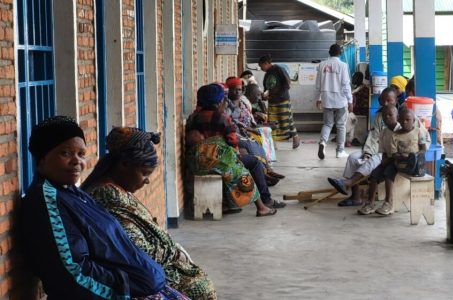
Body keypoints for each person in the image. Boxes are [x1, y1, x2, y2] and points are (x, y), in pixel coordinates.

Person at [20, 116, 186, 299]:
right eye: (65, 153)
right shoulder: (47, 202)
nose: (77, 161)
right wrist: (125, 288)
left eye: (81, 154)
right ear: (43, 158)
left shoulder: (72, 193)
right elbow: (73, 274)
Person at [81, 127, 217, 299]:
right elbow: (135, 248)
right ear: (124, 165)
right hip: (138, 276)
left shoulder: (116, 190)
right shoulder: (106, 196)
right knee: (199, 289)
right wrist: (172, 252)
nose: (147, 180)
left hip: (151, 270)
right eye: (144, 173)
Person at [185, 83, 281, 214]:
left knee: (240, 162)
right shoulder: (223, 118)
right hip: (221, 163)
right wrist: (236, 151)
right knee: (253, 164)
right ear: (219, 101)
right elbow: (232, 141)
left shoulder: (192, 118)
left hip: (198, 164)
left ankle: (229, 204)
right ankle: (264, 202)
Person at [326, 87, 398, 207]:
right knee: (353, 158)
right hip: (376, 149)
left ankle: (348, 182)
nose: (385, 104)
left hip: (389, 154)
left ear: (395, 101)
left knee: (374, 160)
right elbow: (374, 136)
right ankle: (355, 197)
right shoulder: (380, 115)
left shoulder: (400, 115)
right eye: (383, 101)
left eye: (389, 101)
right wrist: (368, 152)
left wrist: (374, 154)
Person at [359, 107, 430, 216]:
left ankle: (388, 203)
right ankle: (370, 203)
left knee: (388, 172)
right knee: (374, 174)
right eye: (402, 120)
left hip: (413, 164)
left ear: (413, 121)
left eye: (408, 120)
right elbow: (392, 153)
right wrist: (399, 158)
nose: (404, 122)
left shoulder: (418, 131)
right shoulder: (393, 134)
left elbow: (424, 148)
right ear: (399, 120)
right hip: (397, 161)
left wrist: (416, 156)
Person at [224, 77, 284, 186]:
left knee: (256, 143)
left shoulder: (241, 103)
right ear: (229, 90)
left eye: (239, 89)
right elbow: (229, 122)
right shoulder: (226, 105)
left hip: (244, 132)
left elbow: (249, 120)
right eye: (234, 89)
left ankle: (267, 170)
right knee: (249, 144)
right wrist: (245, 129)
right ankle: (263, 175)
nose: (237, 92)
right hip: (236, 133)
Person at [315, 44, 352, 159]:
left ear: (329, 52)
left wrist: (318, 98)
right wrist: (350, 100)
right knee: (341, 125)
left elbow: (318, 84)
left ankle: (322, 142)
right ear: (340, 53)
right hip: (340, 100)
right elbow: (346, 84)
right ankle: (340, 151)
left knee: (327, 124)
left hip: (326, 99)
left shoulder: (321, 65)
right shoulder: (343, 65)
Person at [258, 54, 300, 148]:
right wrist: (264, 95)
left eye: (261, 66)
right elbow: (267, 87)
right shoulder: (267, 73)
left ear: (266, 63)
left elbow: (287, 83)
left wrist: (275, 95)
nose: (261, 68)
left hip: (282, 99)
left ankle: (295, 137)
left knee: (286, 119)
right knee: (272, 121)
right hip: (272, 101)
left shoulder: (278, 69)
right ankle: (273, 143)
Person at [405, 77, 443, 145]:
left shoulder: (431, 108)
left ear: (412, 91)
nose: (406, 95)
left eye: (407, 92)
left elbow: (437, 131)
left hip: (426, 141)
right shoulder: (406, 104)